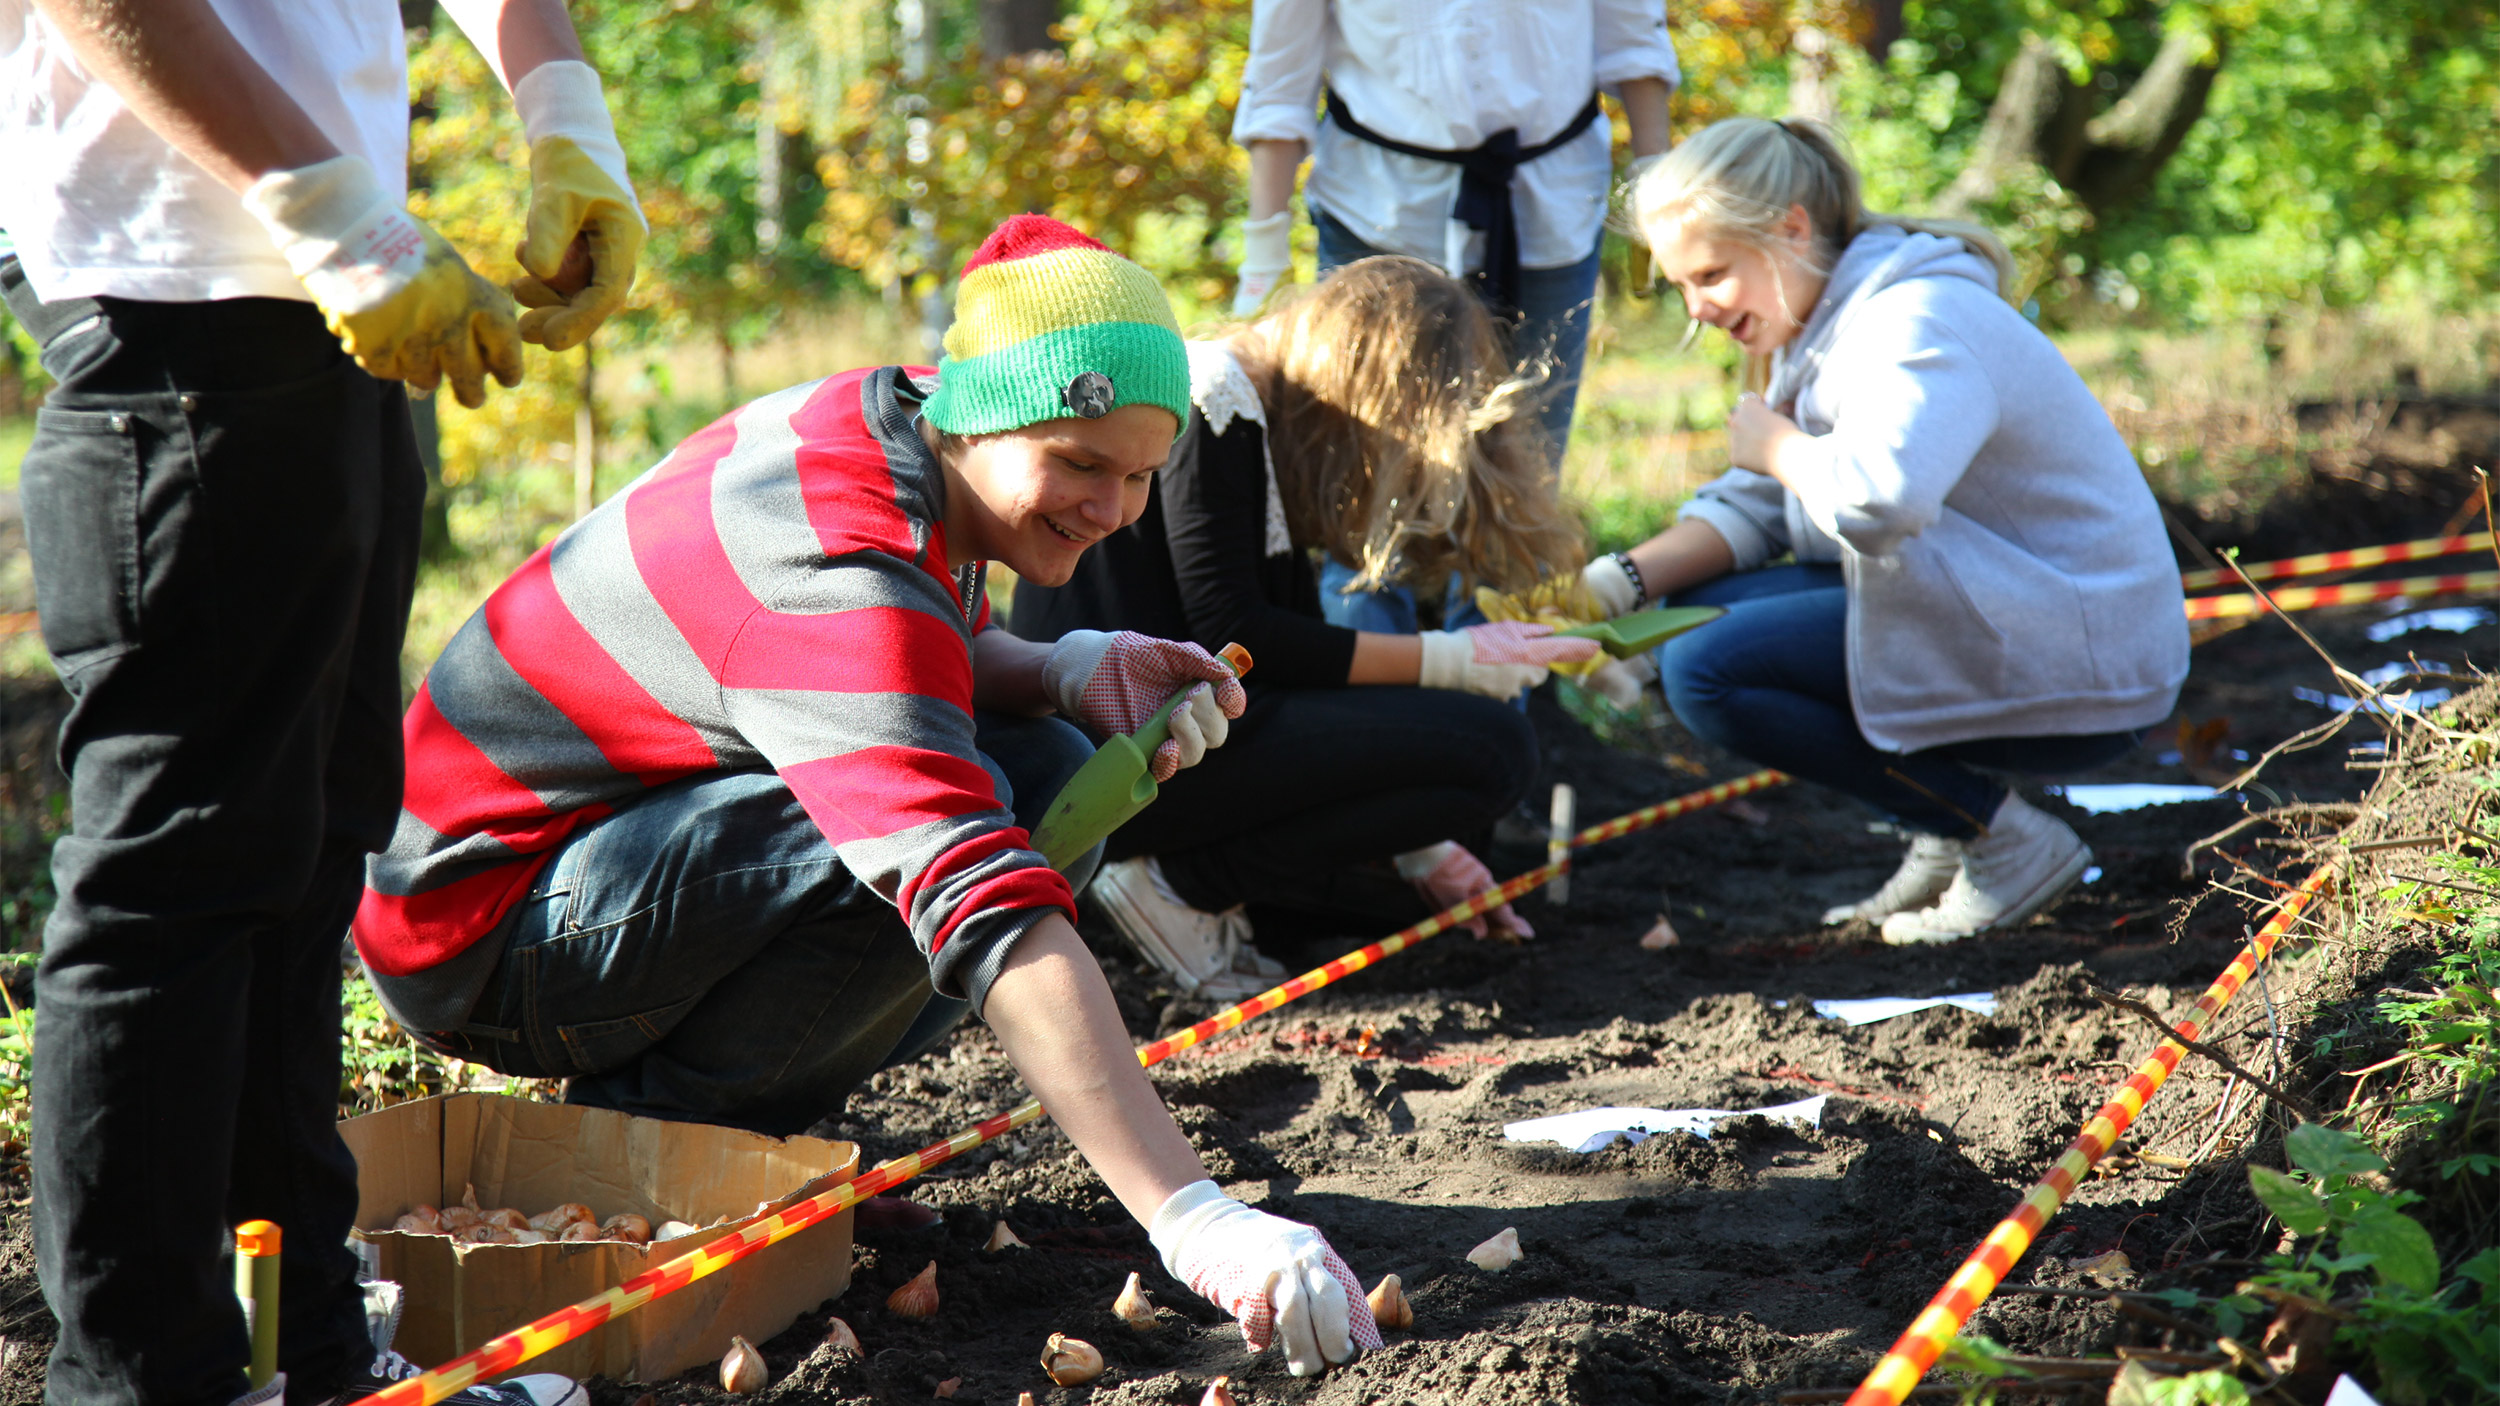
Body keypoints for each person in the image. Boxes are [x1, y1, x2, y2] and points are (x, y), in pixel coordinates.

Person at [354, 215, 1383, 1377]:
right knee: (937, 836)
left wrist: (1062, 665)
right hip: (482, 918)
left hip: (597, 853)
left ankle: (739, 1136)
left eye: (1141, 473)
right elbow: (975, 888)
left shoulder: (896, 422)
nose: (1112, 508)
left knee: (1042, 772)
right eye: (1080, 462)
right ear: (978, 415)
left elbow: (930, 646)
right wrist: (1194, 1216)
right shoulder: (833, 565)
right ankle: (667, 1138)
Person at [0, 0, 641, 1401]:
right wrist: (333, 208)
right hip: (173, 287)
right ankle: (141, 1379)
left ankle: (309, 1360)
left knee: (306, 855)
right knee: (180, 875)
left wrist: (562, 106)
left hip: (335, 300)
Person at [1584, 116, 2189, 945]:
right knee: (1703, 606)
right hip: (2010, 605)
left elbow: (1881, 502)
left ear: (1790, 228)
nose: (1697, 308)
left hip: (2084, 645)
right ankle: (1945, 832)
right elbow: (1761, 503)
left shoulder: (1913, 323)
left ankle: (1999, 839)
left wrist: (1782, 447)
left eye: (1712, 274)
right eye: (1680, 284)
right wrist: (1620, 585)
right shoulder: (1830, 324)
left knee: (1706, 667)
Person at [1013, 255, 1598, 1000]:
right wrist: (1453, 659)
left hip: (1190, 741)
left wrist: (1423, 853)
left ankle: (1184, 890)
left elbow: (1278, 647)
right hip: (1134, 751)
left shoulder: (1265, 432)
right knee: (1493, 749)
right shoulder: (1215, 393)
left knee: (1438, 857)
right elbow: (1234, 629)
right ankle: (1177, 883)